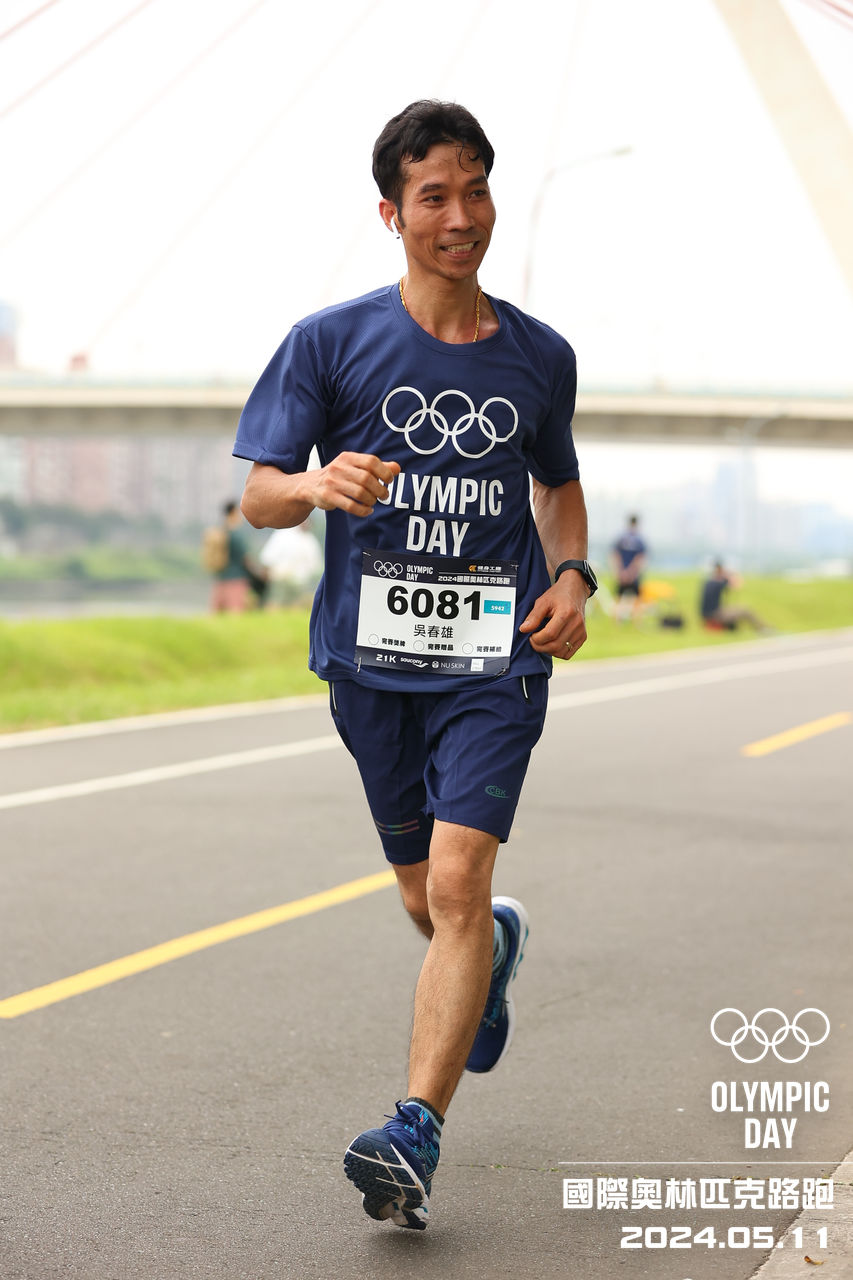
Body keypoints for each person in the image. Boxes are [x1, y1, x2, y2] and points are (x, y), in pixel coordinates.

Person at [235, 100, 597, 1231]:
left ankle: (414, 1130)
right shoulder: (328, 342)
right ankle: (493, 951)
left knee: (453, 882)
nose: (460, 215)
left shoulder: (540, 355)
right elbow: (258, 496)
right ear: (391, 213)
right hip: (370, 665)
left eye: (475, 190)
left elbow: (556, 482)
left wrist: (572, 575)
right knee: (419, 894)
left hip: (495, 662)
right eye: (433, 195)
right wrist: (314, 483)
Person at [208, 500, 256, 613]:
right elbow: (245, 559)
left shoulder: (220, 531)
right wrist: (257, 574)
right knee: (235, 614)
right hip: (236, 580)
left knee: (218, 615)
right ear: (234, 512)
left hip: (221, 579)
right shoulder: (236, 534)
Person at [699, 560, 768, 631]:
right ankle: (763, 628)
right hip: (715, 614)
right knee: (745, 610)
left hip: (707, 614)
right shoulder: (718, 582)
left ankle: (762, 628)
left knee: (737, 611)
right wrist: (732, 575)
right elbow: (736, 585)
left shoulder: (708, 581)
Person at [610, 514, 647, 620]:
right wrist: (631, 573)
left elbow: (616, 555)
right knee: (637, 599)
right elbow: (640, 558)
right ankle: (637, 621)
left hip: (622, 573)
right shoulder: (639, 540)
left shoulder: (621, 538)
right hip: (634, 575)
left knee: (619, 598)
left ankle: (618, 621)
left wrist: (620, 571)